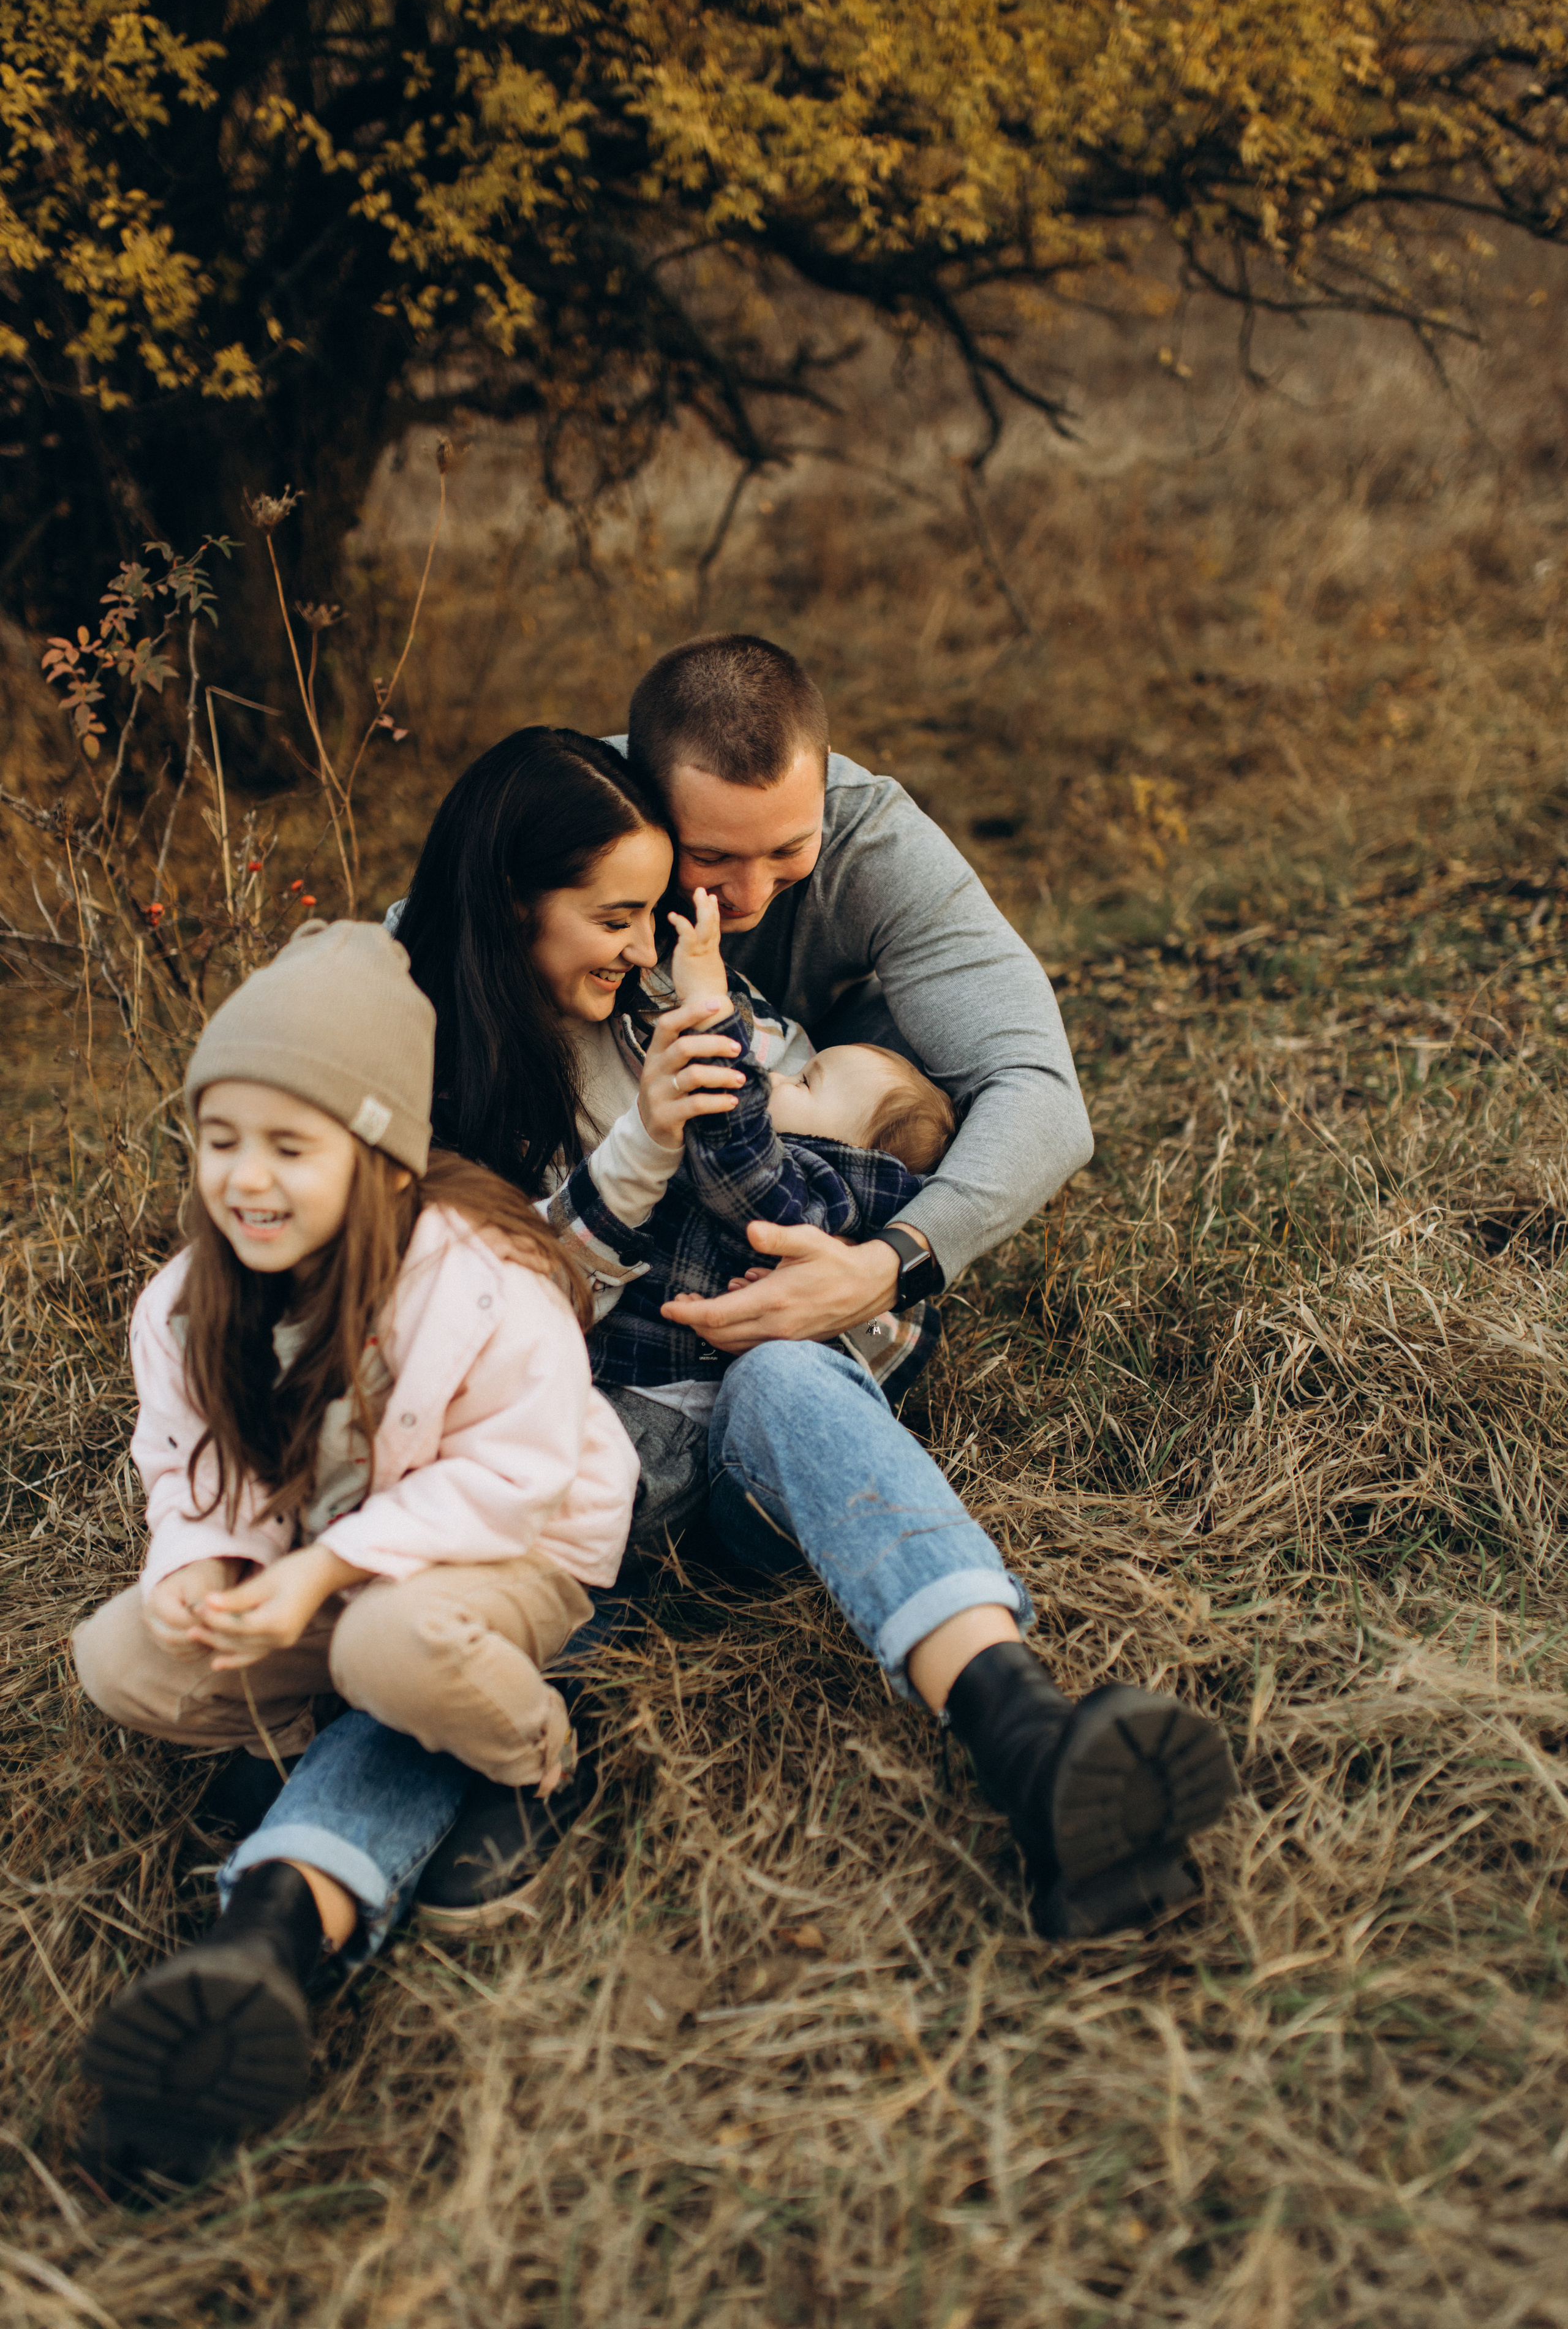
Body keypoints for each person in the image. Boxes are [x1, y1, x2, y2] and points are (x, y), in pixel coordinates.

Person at [388, 698, 1238, 1938]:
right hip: (564, 1451)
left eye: (783, 857)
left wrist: (882, 1267)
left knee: (787, 1376)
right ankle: (324, 1881)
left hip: (743, 1432)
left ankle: (1027, 1738)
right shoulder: (448, 1026)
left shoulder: (762, 943)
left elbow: (1028, 1102)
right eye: (701, 870)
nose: (746, 895)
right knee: (495, 1542)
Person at [71, 919, 639, 2188]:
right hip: (324, 1570)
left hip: (514, 1553)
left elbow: (516, 1477)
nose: (247, 1181)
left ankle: (537, 1759)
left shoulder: (478, 1281)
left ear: (381, 1163)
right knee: (124, 1654)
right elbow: (184, 1476)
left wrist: (325, 1577)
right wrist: (209, 1575)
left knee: (394, 1641)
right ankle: (326, 1717)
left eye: (289, 1148)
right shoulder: (187, 1303)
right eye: (221, 1143)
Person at [547, 883, 956, 1429]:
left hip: (671, 1400)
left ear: (851, 1152)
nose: (780, 1077)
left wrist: (710, 1011)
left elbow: (738, 1155)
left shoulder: (810, 1188)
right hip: (629, 1366)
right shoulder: (813, 1185)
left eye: (807, 1084)